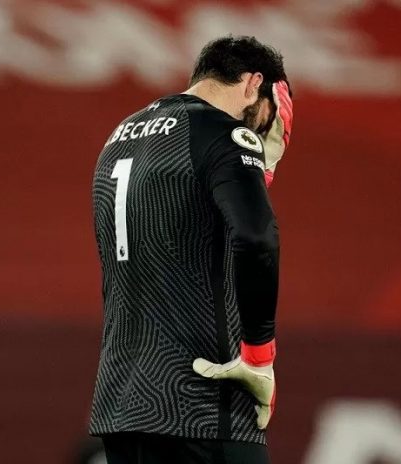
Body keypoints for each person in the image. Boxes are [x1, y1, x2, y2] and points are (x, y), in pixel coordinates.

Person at [88, 35, 293, 464]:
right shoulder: (224, 134)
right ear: (255, 83)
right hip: (200, 404)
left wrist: (261, 172)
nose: (262, 129)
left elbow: (185, 228)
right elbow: (256, 237)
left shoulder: (119, 136)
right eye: (268, 116)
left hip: (121, 405)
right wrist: (258, 356)